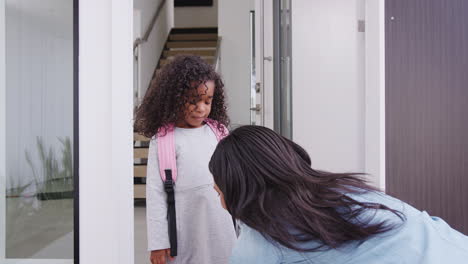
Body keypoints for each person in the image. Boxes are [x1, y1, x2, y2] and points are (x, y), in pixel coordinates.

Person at [209, 125, 468, 264]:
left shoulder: (258, 248)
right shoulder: (344, 191)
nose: (219, 200)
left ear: (237, 192)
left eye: (218, 192)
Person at [135, 55, 236, 264]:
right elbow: (155, 194)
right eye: (193, 101)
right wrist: (158, 243)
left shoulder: (218, 132)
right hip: (184, 226)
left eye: (207, 101)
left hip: (221, 223)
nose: (201, 108)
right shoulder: (163, 139)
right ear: (175, 98)